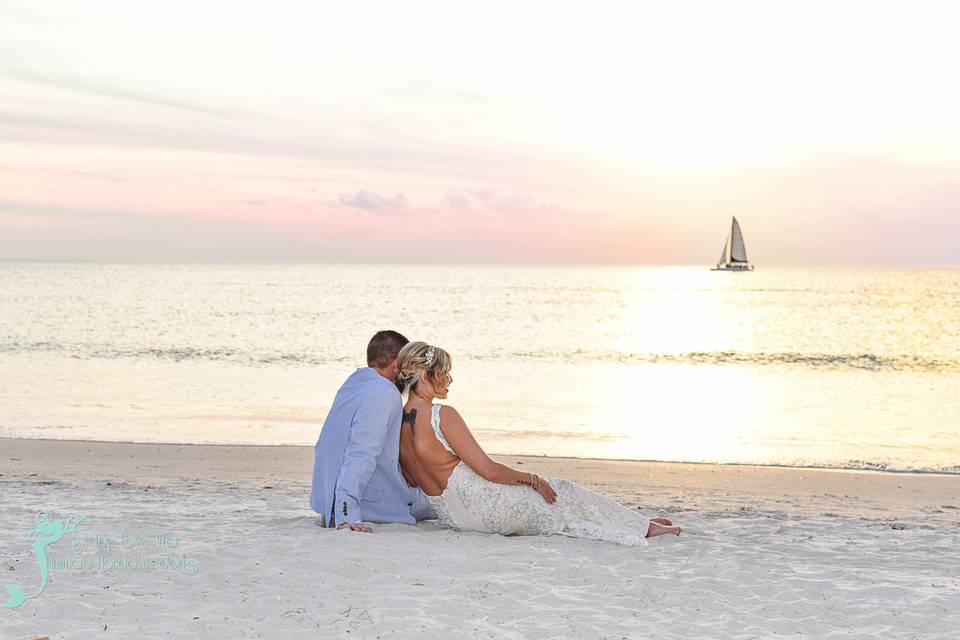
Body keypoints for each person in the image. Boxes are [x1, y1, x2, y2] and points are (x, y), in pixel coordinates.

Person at [396, 341, 681, 545]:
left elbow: (410, 479)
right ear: (424, 376)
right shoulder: (441, 415)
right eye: (443, 373)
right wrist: (532, 479)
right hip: (488, 512)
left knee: (558, 508)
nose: (449, 379)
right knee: (564, 492)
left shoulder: (397, 422)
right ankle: (644, 528)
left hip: (455, 519)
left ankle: (636, 523)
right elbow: (489, 471)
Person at [310, 330, 435, 531]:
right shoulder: (384, 392)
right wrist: (346, 514)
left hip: (326, 496)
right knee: (445, 499)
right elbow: (362, 452)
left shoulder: (354, 383)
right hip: (371, 501)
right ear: (397, 364)